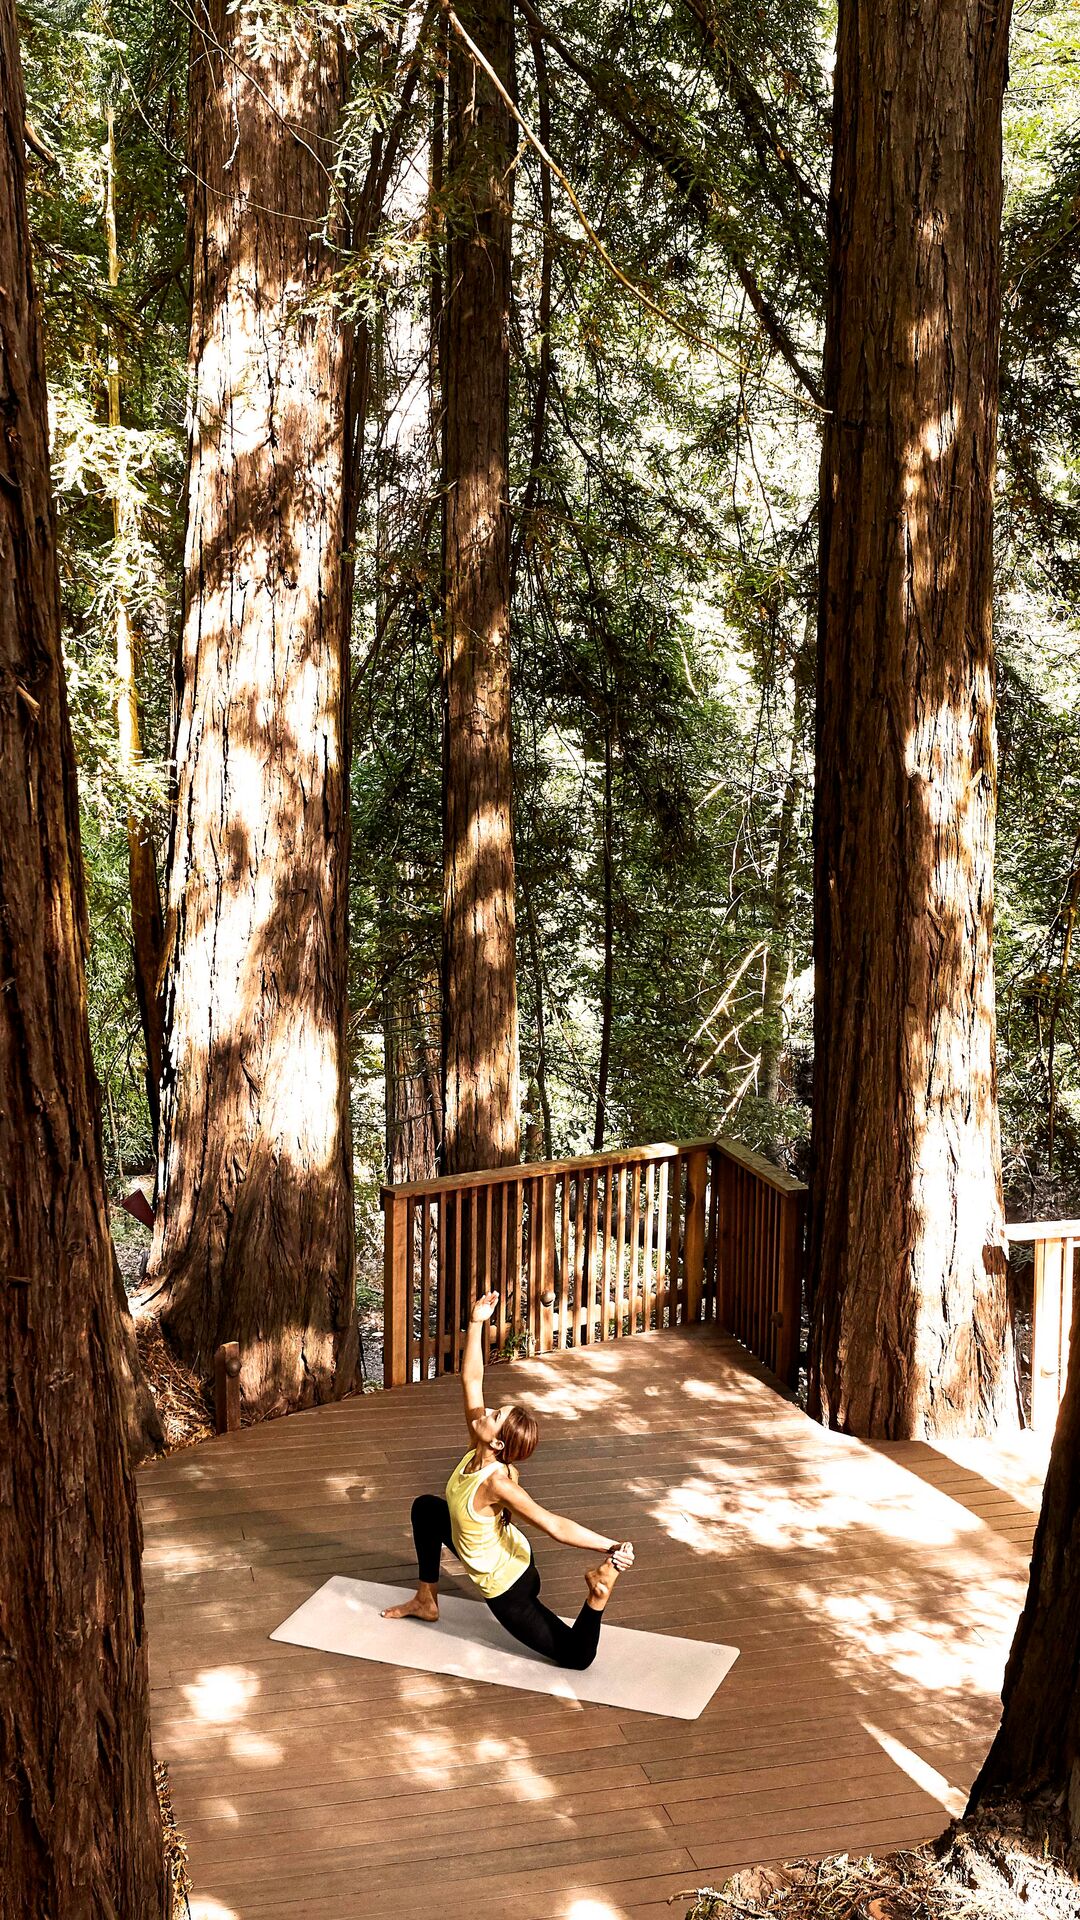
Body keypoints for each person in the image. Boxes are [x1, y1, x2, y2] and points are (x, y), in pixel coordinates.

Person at [382, 1291, 634, 1669]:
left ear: (498, 1442)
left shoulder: (498, 1483)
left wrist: (609, 1547)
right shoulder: (478, 1440)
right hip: (507, 1551)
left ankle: (598, 1590)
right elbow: (472, 1378)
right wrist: (477, 1322)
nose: (486, 1412)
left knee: (577, 1656)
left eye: (494, 1415)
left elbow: (552, 1524)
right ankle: (426, 1599)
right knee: (427, 1510)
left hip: (509, 1586)